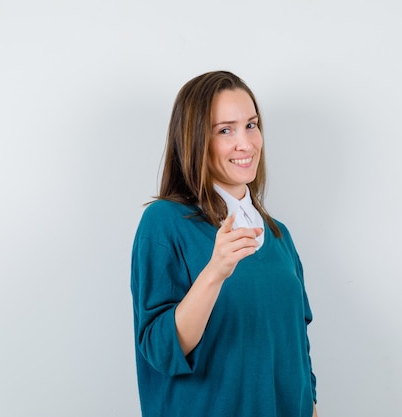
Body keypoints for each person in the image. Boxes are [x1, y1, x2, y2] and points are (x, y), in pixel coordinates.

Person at [130, 71, 318, 417]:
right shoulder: (165, 222)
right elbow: (160, 349)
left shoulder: (279, 236)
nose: (245, 143)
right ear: (195, 140)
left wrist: (313, 405)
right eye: (225, 130)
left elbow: (296, 346)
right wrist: (215, 272)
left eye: (251, 125)